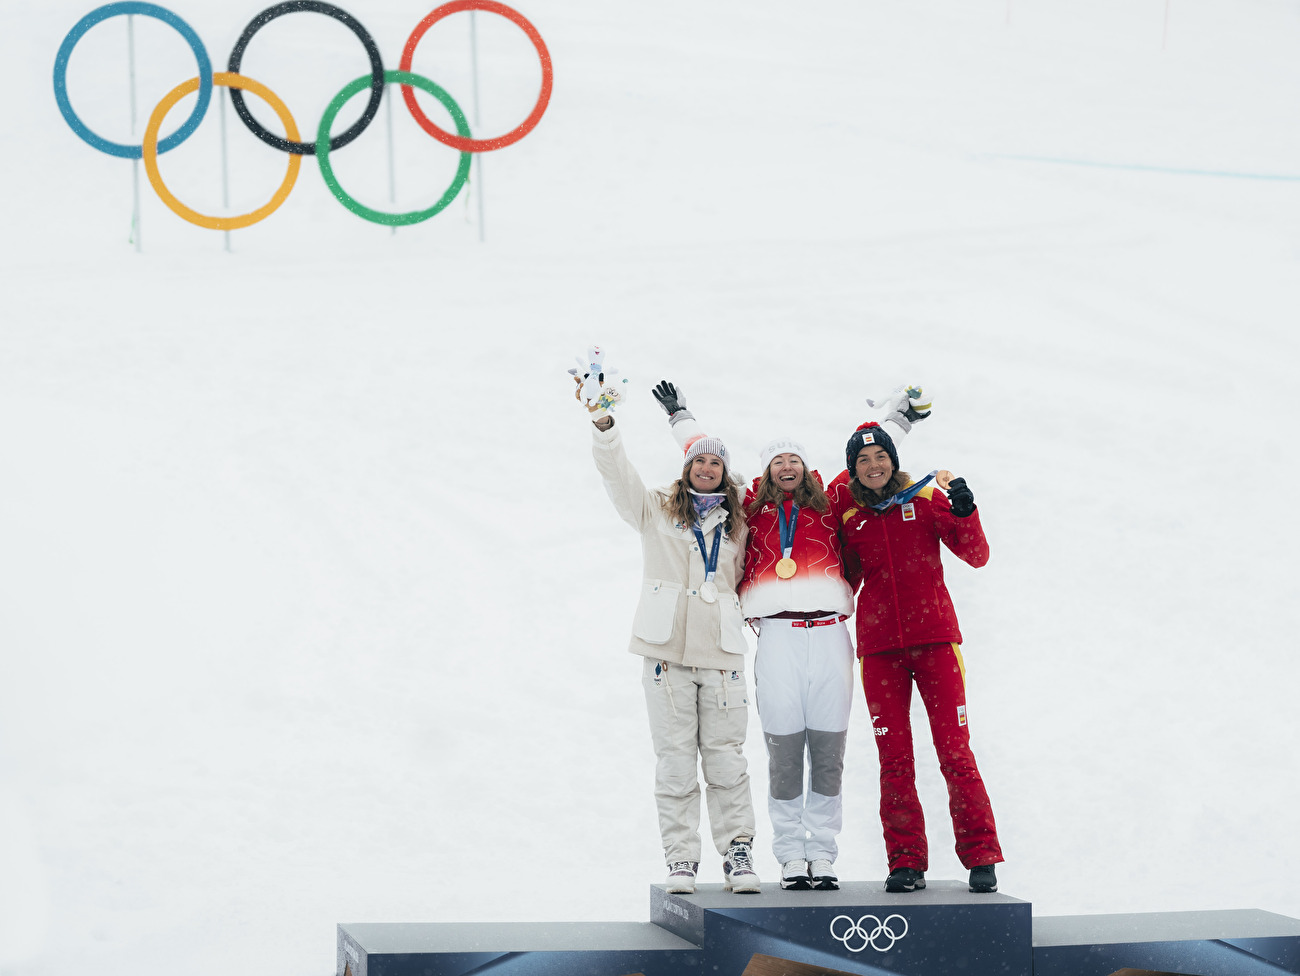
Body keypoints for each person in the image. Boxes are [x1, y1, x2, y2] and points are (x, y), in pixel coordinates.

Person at [652, 381, 920, 892]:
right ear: (767, 471)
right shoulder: (748, 502)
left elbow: (873, 456)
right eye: (778, 462)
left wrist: (905, 418)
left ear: (805, 467)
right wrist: (679, 416)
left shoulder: (830, 497)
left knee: (827, 748)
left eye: (794, 459)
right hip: (775, 638)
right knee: (783, 748)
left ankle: (822, 853)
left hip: (829, 635)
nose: (787, 467)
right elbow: (704, 463)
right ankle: (790, 857)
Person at [586, 391, 760, 895]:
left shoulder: (740, 518)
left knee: (727, 758)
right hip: (665, 657)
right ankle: (681, 858)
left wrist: (683, 418)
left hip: (722, 655)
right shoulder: (655, 509)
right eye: (698, 459)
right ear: (686, 467)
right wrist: (605, 428)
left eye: (715, 462)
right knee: (676, 761)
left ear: (725, 473)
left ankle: (739, 852)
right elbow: (617, 475)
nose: (706, 467)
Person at [830, 421, 1004, 894]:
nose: (873, 466)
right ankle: (906, 862)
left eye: (879, 457)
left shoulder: (925, 500)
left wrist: (966, 512)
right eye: (862, 461)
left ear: (893, 460)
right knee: (894, 758)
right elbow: (841, 579)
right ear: (852, 471)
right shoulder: (852, 519)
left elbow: (976, 554)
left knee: (955, 752)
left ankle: (981, 856)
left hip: (935, 644)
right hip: (881, 652)